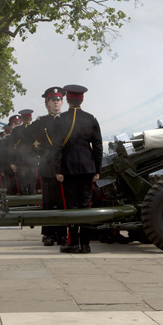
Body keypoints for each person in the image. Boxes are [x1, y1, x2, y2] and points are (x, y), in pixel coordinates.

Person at [51, 84, 103, 254]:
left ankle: (73, 243)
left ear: (67, 99)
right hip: (88, 167)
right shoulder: (91, 118)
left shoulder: (61, 119)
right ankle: (85, 244)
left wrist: (57, 170)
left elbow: (57, 147)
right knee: (85, 206)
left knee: (71, 207)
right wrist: (97, 170)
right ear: (82, 99)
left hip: (68, 168)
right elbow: (97, 146)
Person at [22, 87, 66, 246]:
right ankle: (48, 233)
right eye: (53, 100)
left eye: (58, 100)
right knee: (48, 201)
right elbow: (26, 139)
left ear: (62, 102)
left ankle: (62, 234)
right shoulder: (41, 121)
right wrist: (37, 151)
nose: (56, 103)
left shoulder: (67, 119)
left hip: (63, 166)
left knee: (62, 202)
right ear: (47, 104)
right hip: (48, 165)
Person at [10, 108, 36, 195]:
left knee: (21, 186)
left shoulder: (16, 130)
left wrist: (12, 162)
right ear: (31, 119)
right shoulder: (35, 129)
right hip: (33, 160)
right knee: (32, 186)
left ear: (21, 119)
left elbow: (13, 147)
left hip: (20, 160)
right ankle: (33, 205)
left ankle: (23, 205)